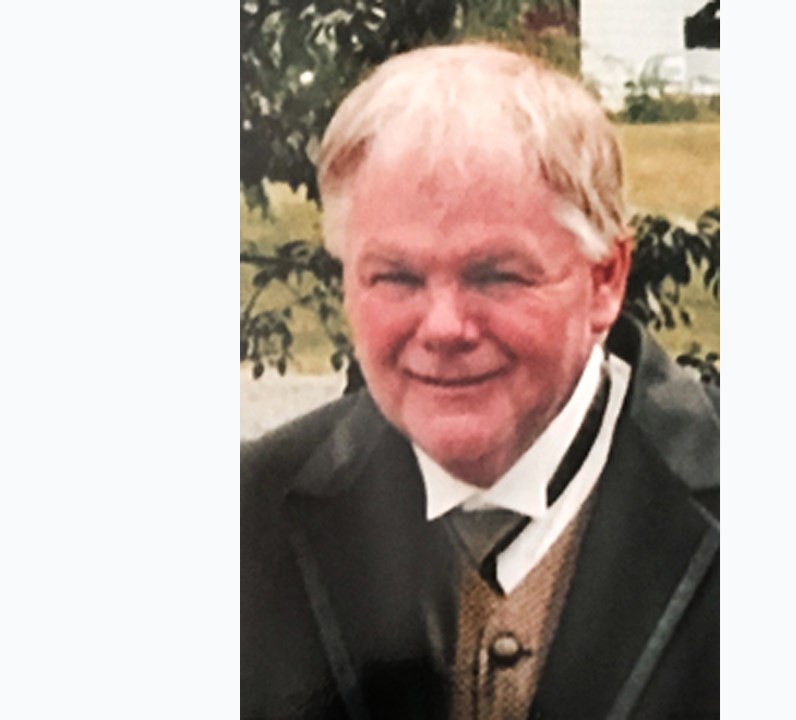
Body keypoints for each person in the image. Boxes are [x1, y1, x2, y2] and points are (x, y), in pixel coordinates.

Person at [242, 44, 719, 719]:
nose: (444, 327)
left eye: (495, 275)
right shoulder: (248, 516)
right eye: (396, 277)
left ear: (605, 280)